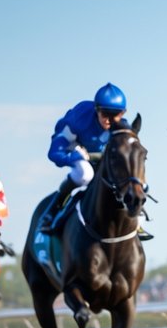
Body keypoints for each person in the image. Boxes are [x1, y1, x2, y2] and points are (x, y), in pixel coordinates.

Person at [38, 82, 141, 236]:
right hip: (76, 149)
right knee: (85, 174)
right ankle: (52, 211)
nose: (109, 120)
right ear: (96, 110)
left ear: (123, 113)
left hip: (99, 156)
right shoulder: (78, 120)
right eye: (104, 114)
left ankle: (136, 220)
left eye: (115, 115)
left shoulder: (121, 128)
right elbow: (54, 153)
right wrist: (76, 156)